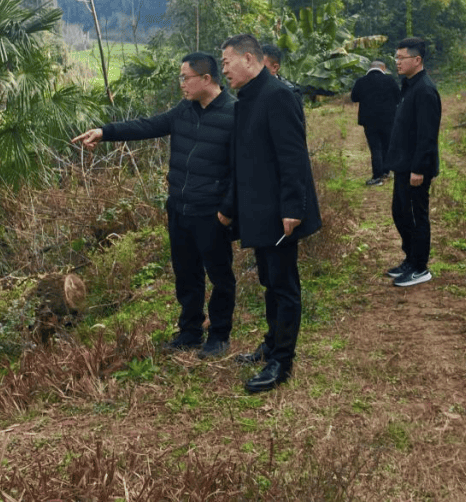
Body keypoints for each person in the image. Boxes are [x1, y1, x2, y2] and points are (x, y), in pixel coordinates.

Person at [71, 52, 236, 359]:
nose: (181, 84)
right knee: (186, 274)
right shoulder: (184, 110)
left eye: (185, 78)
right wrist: (105, 132)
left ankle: (219, 335)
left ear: (206, 79)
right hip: (180, 208)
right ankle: (190, 331)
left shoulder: (234, 114)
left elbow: (242, 169)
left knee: (220, 275)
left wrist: (226, 211)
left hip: (211, 212)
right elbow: (147, 126)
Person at [218, 33, 321, 393]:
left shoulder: (277, 95)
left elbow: (293, 156)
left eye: (227, 62)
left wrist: (293, 207)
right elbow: (242, 160)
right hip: (258, 210)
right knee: (269, 280)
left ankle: (282, 361)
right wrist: (230, 207)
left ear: (249, 59)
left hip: (279, 212)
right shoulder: (247, 99)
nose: (224, 70)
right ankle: (272, 343)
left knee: (283, 284)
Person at [384, 37, 441, 287]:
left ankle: (420, 267)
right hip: (402, 164)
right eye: (396, 57)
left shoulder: (425, 90)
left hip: (415, 168)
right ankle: (410, 258)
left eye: (401, 58)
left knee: (416, 216)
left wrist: (419, 168)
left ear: (417, 60)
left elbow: (427, 135)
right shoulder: (408, 86)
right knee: (400, 213)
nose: (397, 62)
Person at [350, 59, 400, 186]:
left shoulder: (361, 81)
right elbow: (398, 98)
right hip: (388, 120)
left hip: (369, 121)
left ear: (370, 68)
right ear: (383, 68)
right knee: (387, 145)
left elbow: (354, 98)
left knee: (375, 148)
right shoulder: (390, 80)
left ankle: (377, 176)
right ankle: (386, 171)